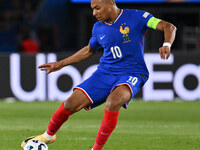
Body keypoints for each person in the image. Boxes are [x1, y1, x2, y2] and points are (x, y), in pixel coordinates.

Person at [21, 0, 176, 149]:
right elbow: (89, 50)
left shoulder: (137, 17)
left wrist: (166, 44)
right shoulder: (98, 28)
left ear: (110, 3)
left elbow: (169, 27)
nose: (94, 13)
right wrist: (60, 64)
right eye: (92, 9)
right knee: (70, 104)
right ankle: (48, 136)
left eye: (97, 8)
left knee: (113, 102)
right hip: (105, 73)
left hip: (133, 72)